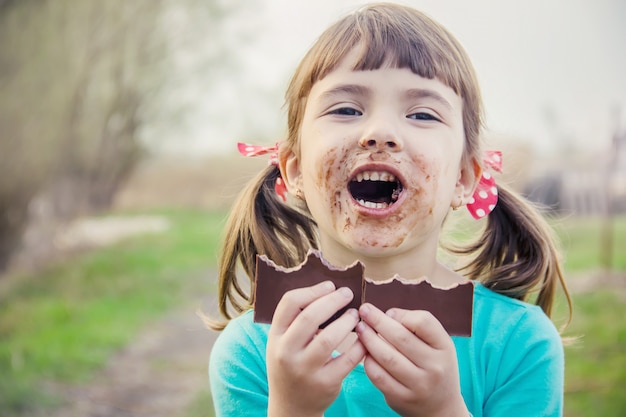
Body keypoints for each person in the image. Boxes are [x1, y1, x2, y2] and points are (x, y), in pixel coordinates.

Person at [206, 3, 572, 416]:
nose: (380, 133)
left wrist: (443, 410)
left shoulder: (517, 344)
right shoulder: (252, 353)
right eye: (346, 109)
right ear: (294, 171)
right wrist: (292, 407)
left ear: (465, 179)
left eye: (421, 113)